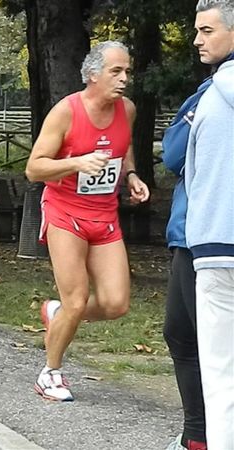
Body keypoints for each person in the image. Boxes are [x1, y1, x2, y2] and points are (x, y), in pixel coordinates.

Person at [24, 41, 150, 401]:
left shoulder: (126, 109)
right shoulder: (66, 112)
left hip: (104, 215)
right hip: (65, 212)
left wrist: (131, 176)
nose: (125, 78)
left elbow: (122, 146)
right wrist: (76, 162)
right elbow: (34, 168)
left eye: (127, 71)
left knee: (116, 303)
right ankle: (51, 372)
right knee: (78, 298)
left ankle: (59, 313)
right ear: (93, 75)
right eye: (116, 71)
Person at [183, 1, 234, 448]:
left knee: (220, 374)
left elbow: (184, 163)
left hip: (216, 245)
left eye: (207, 30)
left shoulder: (210, 97)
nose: (198, 39)